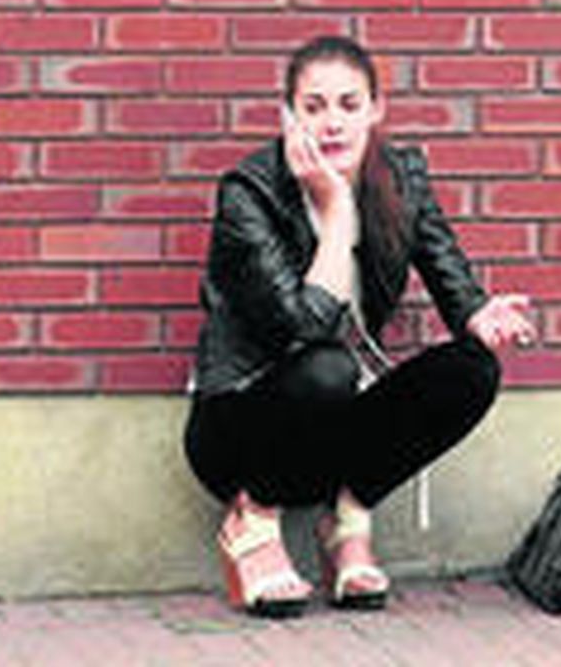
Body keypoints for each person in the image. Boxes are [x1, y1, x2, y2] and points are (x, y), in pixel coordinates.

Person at [183, 34, 536, 617]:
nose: (333, 123)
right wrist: (335, 213)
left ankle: (346, 515)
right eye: (314, 106)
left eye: (349, 104)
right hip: (237, 429)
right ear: (289, 115)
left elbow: (446, 271)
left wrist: (477, 312)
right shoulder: (250, 193)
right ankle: (253, 520)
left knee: (472, 369)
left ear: (376, 109)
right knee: (328, 366)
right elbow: (302, 330)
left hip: (327, 421)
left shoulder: (402, 175)